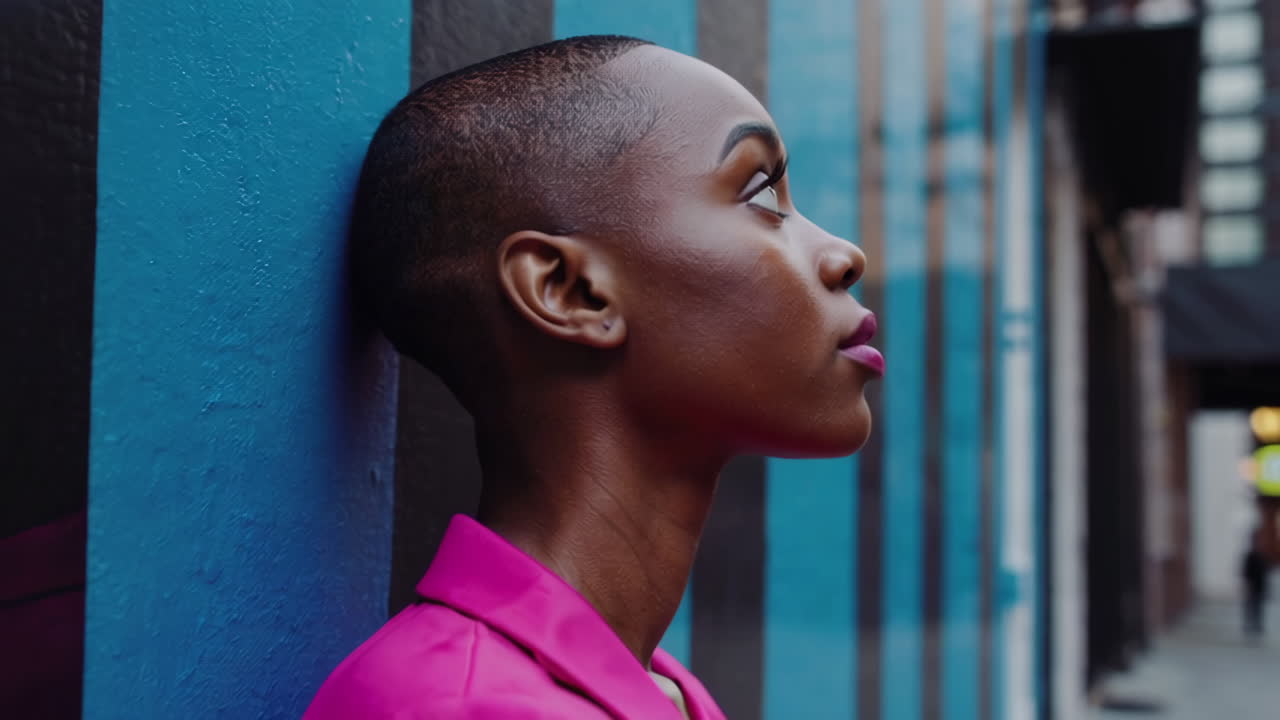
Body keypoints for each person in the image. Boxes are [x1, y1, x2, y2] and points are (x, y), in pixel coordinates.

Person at [304, 35, 883, 719]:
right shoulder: (456, 707)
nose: (845, 255)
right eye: (762, 194)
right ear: (568, 291)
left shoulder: (659, 691)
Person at [1242, 527, 1270, 638]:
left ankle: (1257, 625)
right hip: (1252, 586)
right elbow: (1246, 572)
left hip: (1260, 586)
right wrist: (1246, 585)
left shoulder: (1262, 555)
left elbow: (1265, 572)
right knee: (1250, 606)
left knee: (1258, 607)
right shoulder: (1250, 556)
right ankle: (1249, 625)